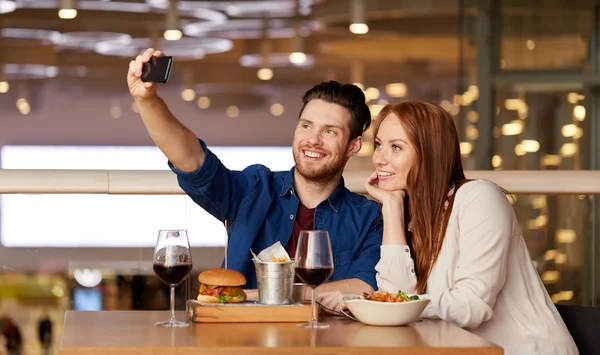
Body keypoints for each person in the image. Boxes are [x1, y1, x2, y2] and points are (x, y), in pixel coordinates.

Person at [126, 48, 382, 296]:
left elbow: (365, 285)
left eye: (330, 132)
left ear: (353, 146)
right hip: (244, 336)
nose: (313, 140)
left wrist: (255, 296)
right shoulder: (255, 188)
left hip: (330, 338)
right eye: (306, 126)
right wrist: (148, 101)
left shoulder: (368, 217)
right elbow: (193, 161)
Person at [359, 101, 577, 354]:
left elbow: (471, 307)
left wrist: (398, 306)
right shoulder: (409, 217)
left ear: (430, 153)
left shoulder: (479, 198)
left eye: (396, 147)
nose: (379, 159)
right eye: (378, 144)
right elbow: (396, 304)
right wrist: (392, 208)